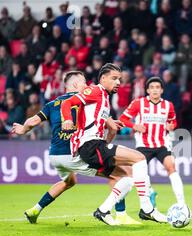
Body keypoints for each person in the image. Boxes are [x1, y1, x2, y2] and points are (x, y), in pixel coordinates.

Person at [11, 71, 139, 225]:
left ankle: (35, 210)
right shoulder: (87, 102)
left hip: (54, 155)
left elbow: (32, 122)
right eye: (84, 82)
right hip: (74, 154)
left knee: (69, 181)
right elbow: (106, 124)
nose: (87, 86)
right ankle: (120, 214)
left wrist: (22, 129)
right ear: (76, 84)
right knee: (119, 175)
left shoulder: (52, 104)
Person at [60, 63, 167, 225]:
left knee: (128, 175)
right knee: (139, 158)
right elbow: (67, 103)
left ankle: (103, 210)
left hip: (95, 146)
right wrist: (67, 119)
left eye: (120, 79)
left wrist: (109, 125)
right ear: (103, 78)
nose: (118, 82)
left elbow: (93, 120)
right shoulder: (95, 90)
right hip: (89, 145)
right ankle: (147, 209)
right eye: (114, 78)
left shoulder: (104, 98)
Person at [119, 76, 186, 209]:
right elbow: (123, 119)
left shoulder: (168, 105)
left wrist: (171, 126)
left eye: (157, 87)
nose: (155, 90)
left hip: (162, 144)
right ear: (147, 90)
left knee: (171, 167)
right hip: (143, 145)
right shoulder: (138, 103)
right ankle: (150, 193)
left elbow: (173, 121)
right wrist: (134, 126)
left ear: (161, 90)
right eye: (152, 88)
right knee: (137, 175)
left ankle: (182, 203)